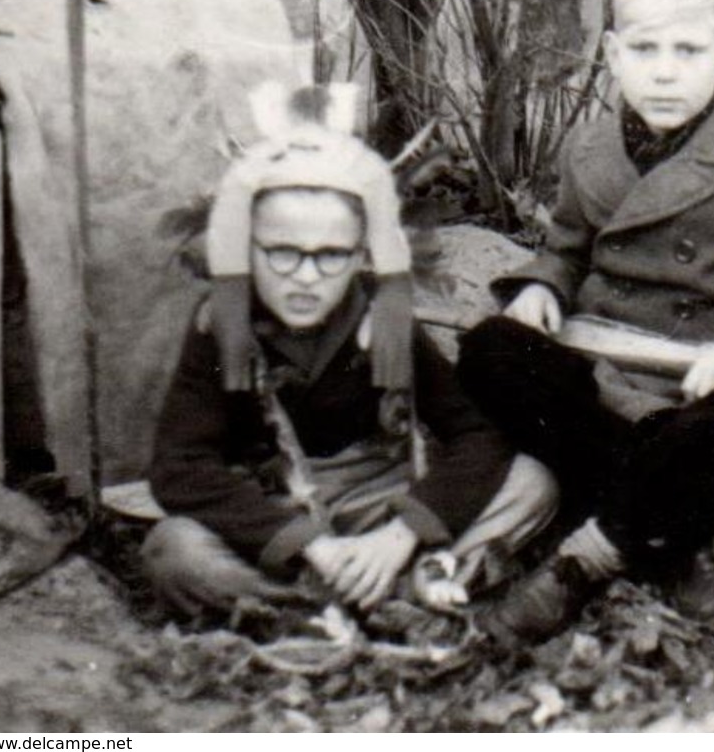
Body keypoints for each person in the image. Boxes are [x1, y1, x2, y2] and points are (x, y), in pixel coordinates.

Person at [456, 0, 714, 644]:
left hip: (701, 381)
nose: (665, 71)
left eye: (688, 51)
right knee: (488, 349)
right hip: (604, 366)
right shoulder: (590, 148)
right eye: (645, 49)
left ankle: (586, 557)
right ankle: (676, 526)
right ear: (612, 56)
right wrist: (544, 286)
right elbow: (567, 246)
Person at [143, 83, 557, 617]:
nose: (307, 278)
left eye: (331, 256)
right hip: (274, 510)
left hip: (376, 506)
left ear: (362, 253)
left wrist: (403, 534)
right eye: (282, 254)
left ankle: (367, 592)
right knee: (174, 550)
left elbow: (475, 433)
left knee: (533, 483)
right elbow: (180, 464)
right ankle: (382, 600)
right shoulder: (219, 328)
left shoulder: (384, 318)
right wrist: (306, 542)